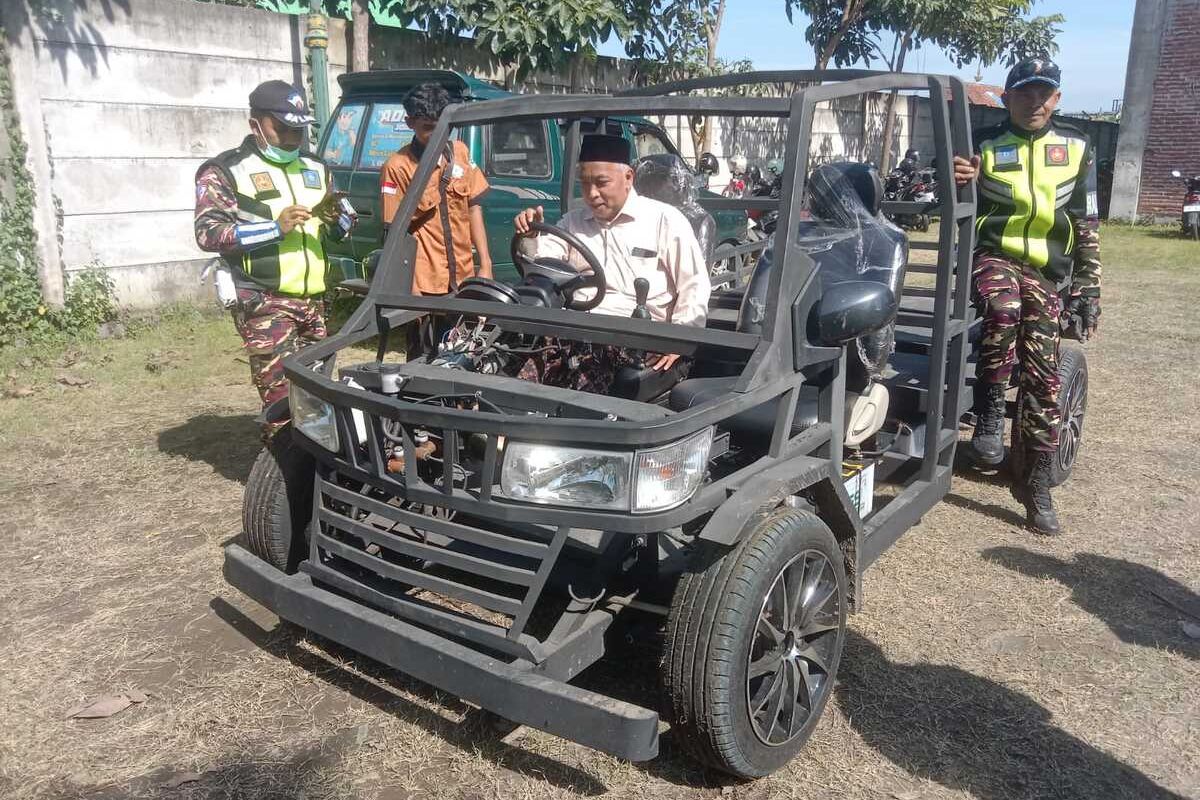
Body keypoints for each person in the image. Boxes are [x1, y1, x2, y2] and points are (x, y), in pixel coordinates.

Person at [952, 57, 1102, 535]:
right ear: (1005, 97)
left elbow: (1086, 221)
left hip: (1046, 271)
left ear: (1056, 98)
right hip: (993, 257)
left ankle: (1035, 480)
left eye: (1044, 93)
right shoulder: (984, 144)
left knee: (1043, 372)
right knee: (1002, 308)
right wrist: (960, 178)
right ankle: (990, 413)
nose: (1034, 102)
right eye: (1023, 93)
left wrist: (1088, 286)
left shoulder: (1078, 147)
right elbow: (949, 198)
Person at [194, 80, 356, 441]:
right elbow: (208, 233)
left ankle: (317, 474)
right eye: (281, 128)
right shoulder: (225, 170)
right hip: (266, 301)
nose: (292, 137)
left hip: (315, 301)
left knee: (318, 394)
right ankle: (281, 482)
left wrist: (337, 221)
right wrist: (274, 229)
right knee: (282, 400)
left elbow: (346, 222)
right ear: (256, 125)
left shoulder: (316, 168)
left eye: (299, 129)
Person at [511, 134, 710, 392]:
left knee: (585, 376)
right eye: (584, 184)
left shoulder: (665, 221)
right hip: (576, 327)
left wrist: (680, 339)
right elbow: (542, 266)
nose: (591, 194)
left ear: (629, 177)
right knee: (512, 355)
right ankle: (494, 422)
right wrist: (530, 236)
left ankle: (571, 426)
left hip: (635, 335)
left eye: (601, 183)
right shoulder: (572, 223)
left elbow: (694, 283)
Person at [379, 83, 492, 295]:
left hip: (463, 277)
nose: (436, 135)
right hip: (425, 283)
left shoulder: (460, 152)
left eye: (442, 127)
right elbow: (394, 235)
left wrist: (485, 265)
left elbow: (473, 208)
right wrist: (412, 291)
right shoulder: (397, 167)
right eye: (428, 128)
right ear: (410, 123)